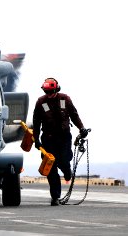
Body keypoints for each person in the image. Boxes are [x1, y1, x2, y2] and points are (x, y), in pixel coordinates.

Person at [32, 78, 88, 206]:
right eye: (47, 91)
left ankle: (67, 171)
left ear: (56, 89)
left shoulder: (65, 99)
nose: (49, 94)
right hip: (48, 140)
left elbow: (74, 115)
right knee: (51, 169)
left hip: (64, 138)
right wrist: (36, 139)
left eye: (51, 91)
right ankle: (55, 197)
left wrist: (82, 128)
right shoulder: (41, 102)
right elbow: (36, 123)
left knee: (64, 160)